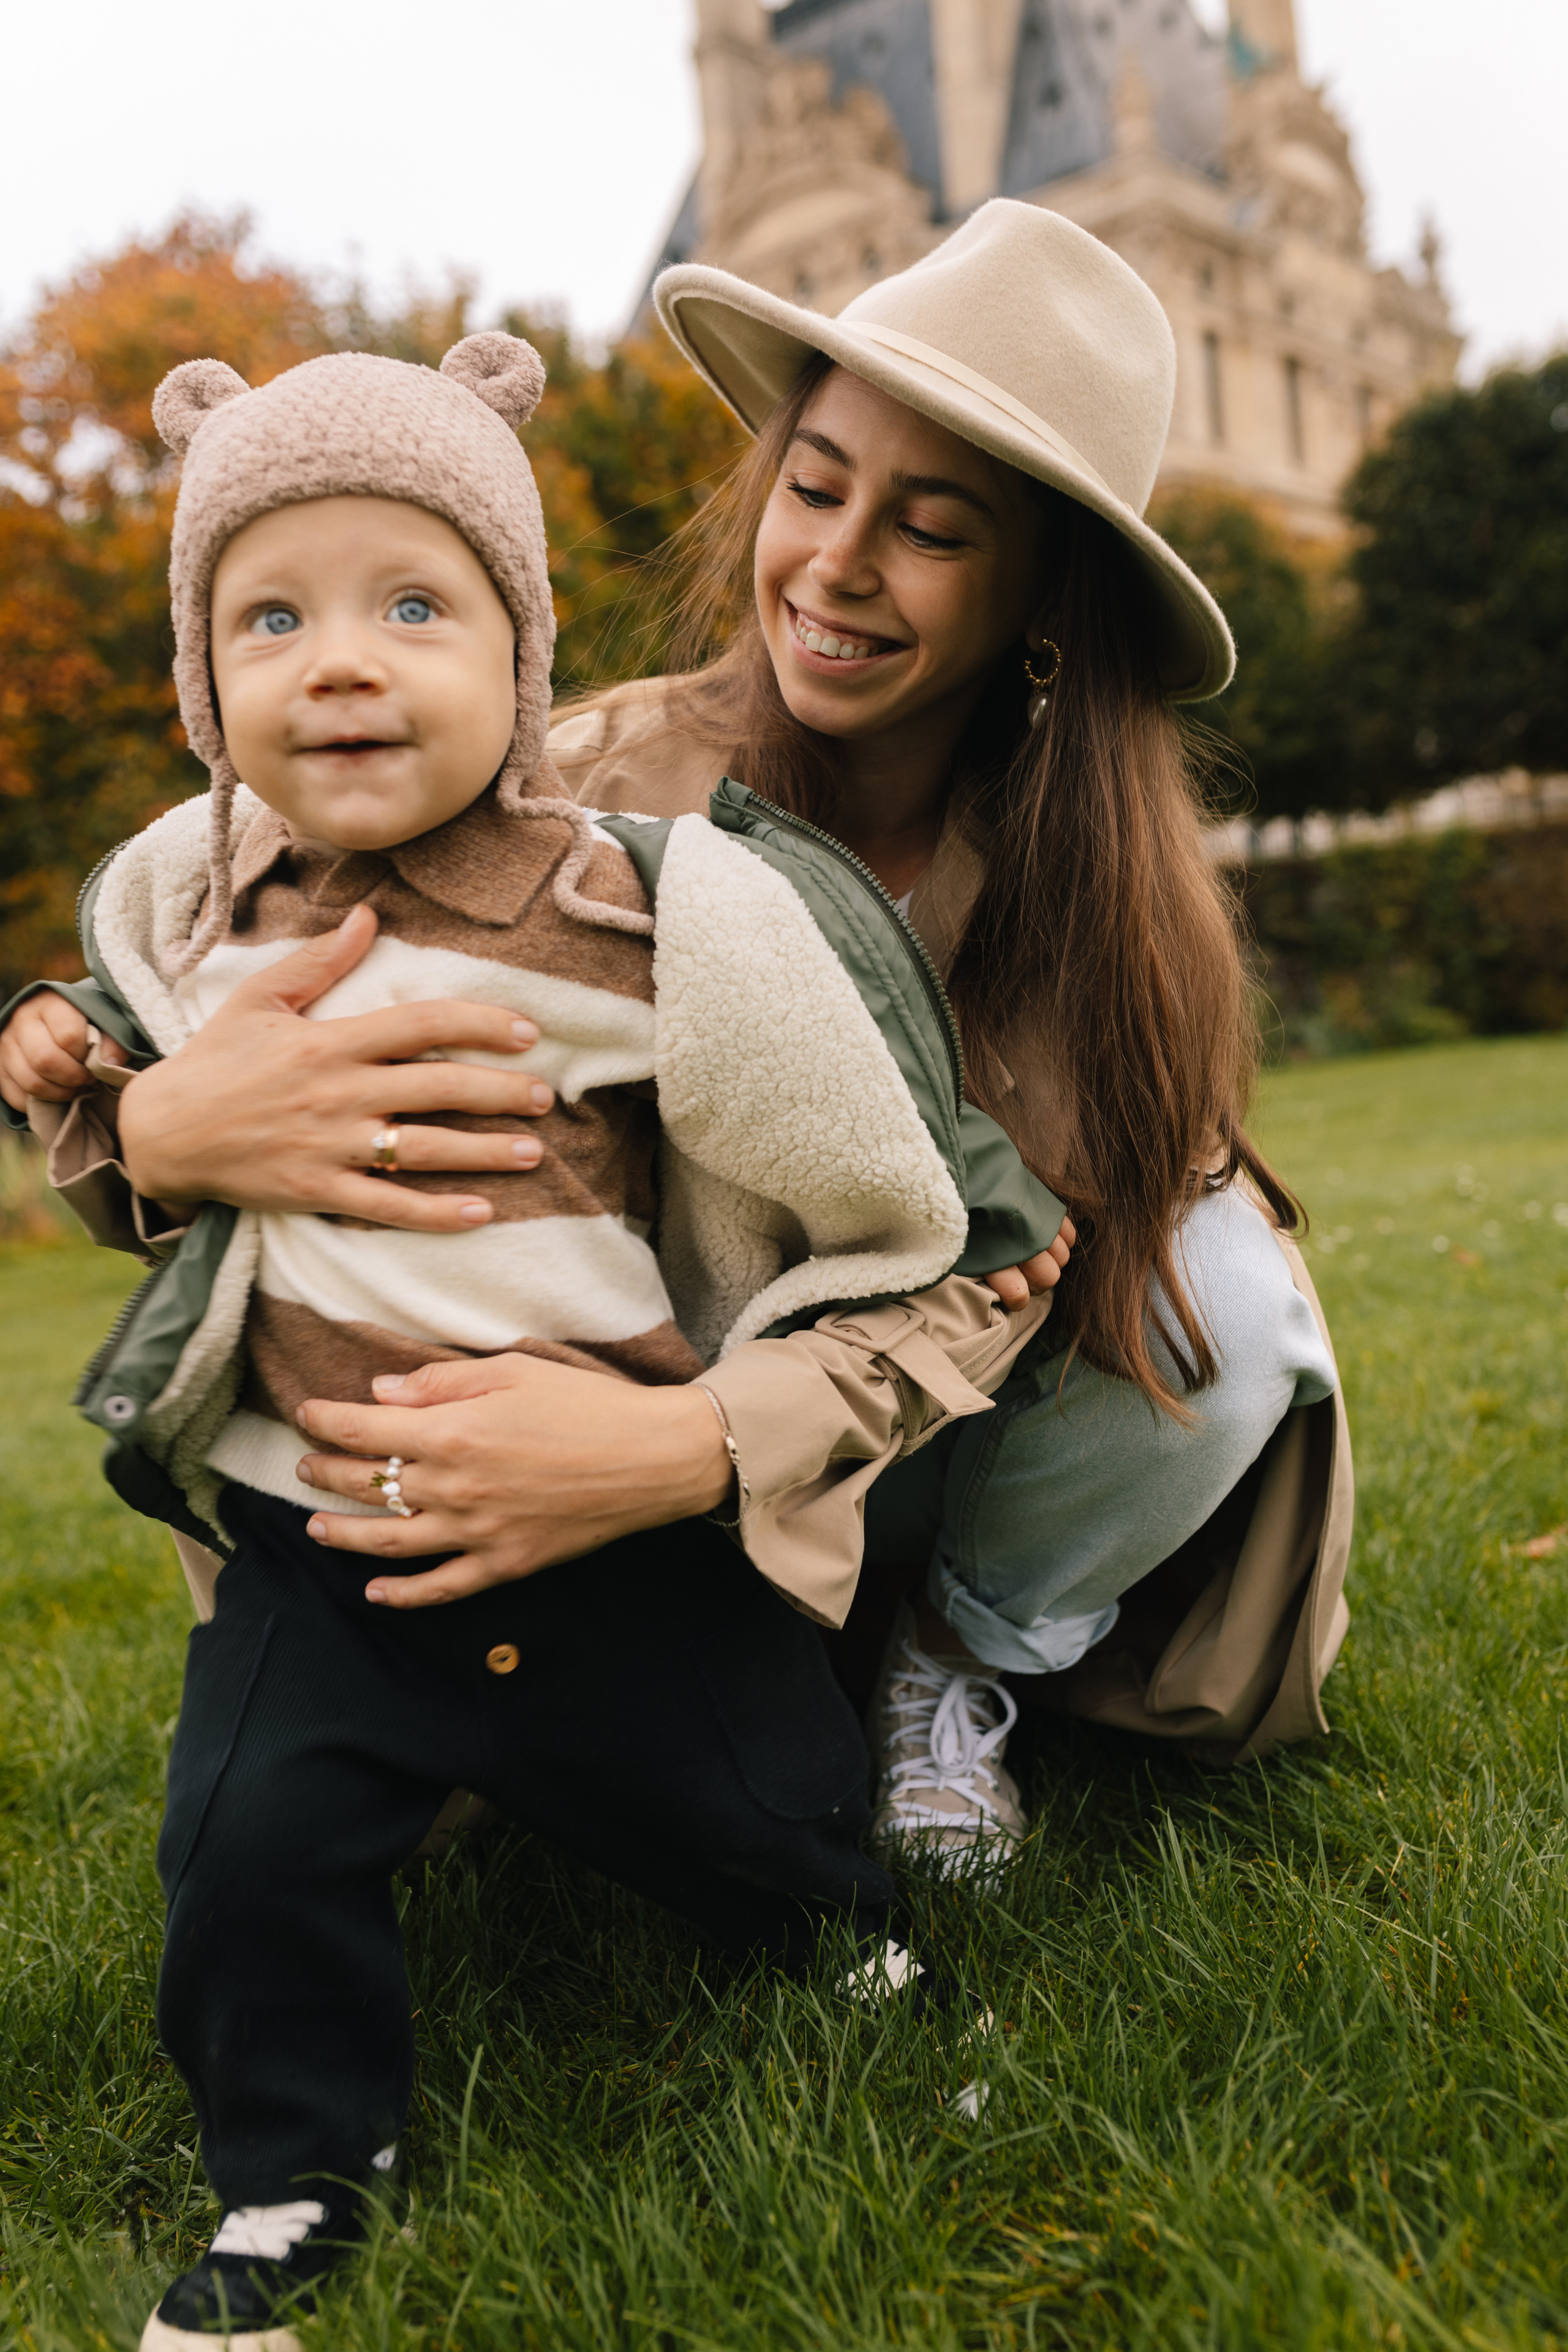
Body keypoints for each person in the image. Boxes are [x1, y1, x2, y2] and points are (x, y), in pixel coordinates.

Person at [14, 206, 1348, 1853]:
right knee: (420, 1797)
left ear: (1043, 599)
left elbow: (1007, 1283)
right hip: (570, 1382)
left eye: (932, 530)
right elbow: (277, 1065)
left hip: (862, 1430)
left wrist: (686, 1445)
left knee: (1224, 1293)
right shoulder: (567, 792)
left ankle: (952, 1667)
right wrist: (155, 1133)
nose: (837, 565)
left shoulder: (1103, 896)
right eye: (814, 488)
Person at [0, 328, 1069, 2351]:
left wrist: (963, 1217)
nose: (341, 662)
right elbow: (112, 1038)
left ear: (522, 662)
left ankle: (846, 1948)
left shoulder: (631, 910)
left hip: (611, 1514)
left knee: (747, 1795)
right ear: (203, 689)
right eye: (271, 620)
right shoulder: (200, 916)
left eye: (415, 607)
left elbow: (850, 1108)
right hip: (321, 1544)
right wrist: (75, 1061)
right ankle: (298, 2176)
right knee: (243, 1855)